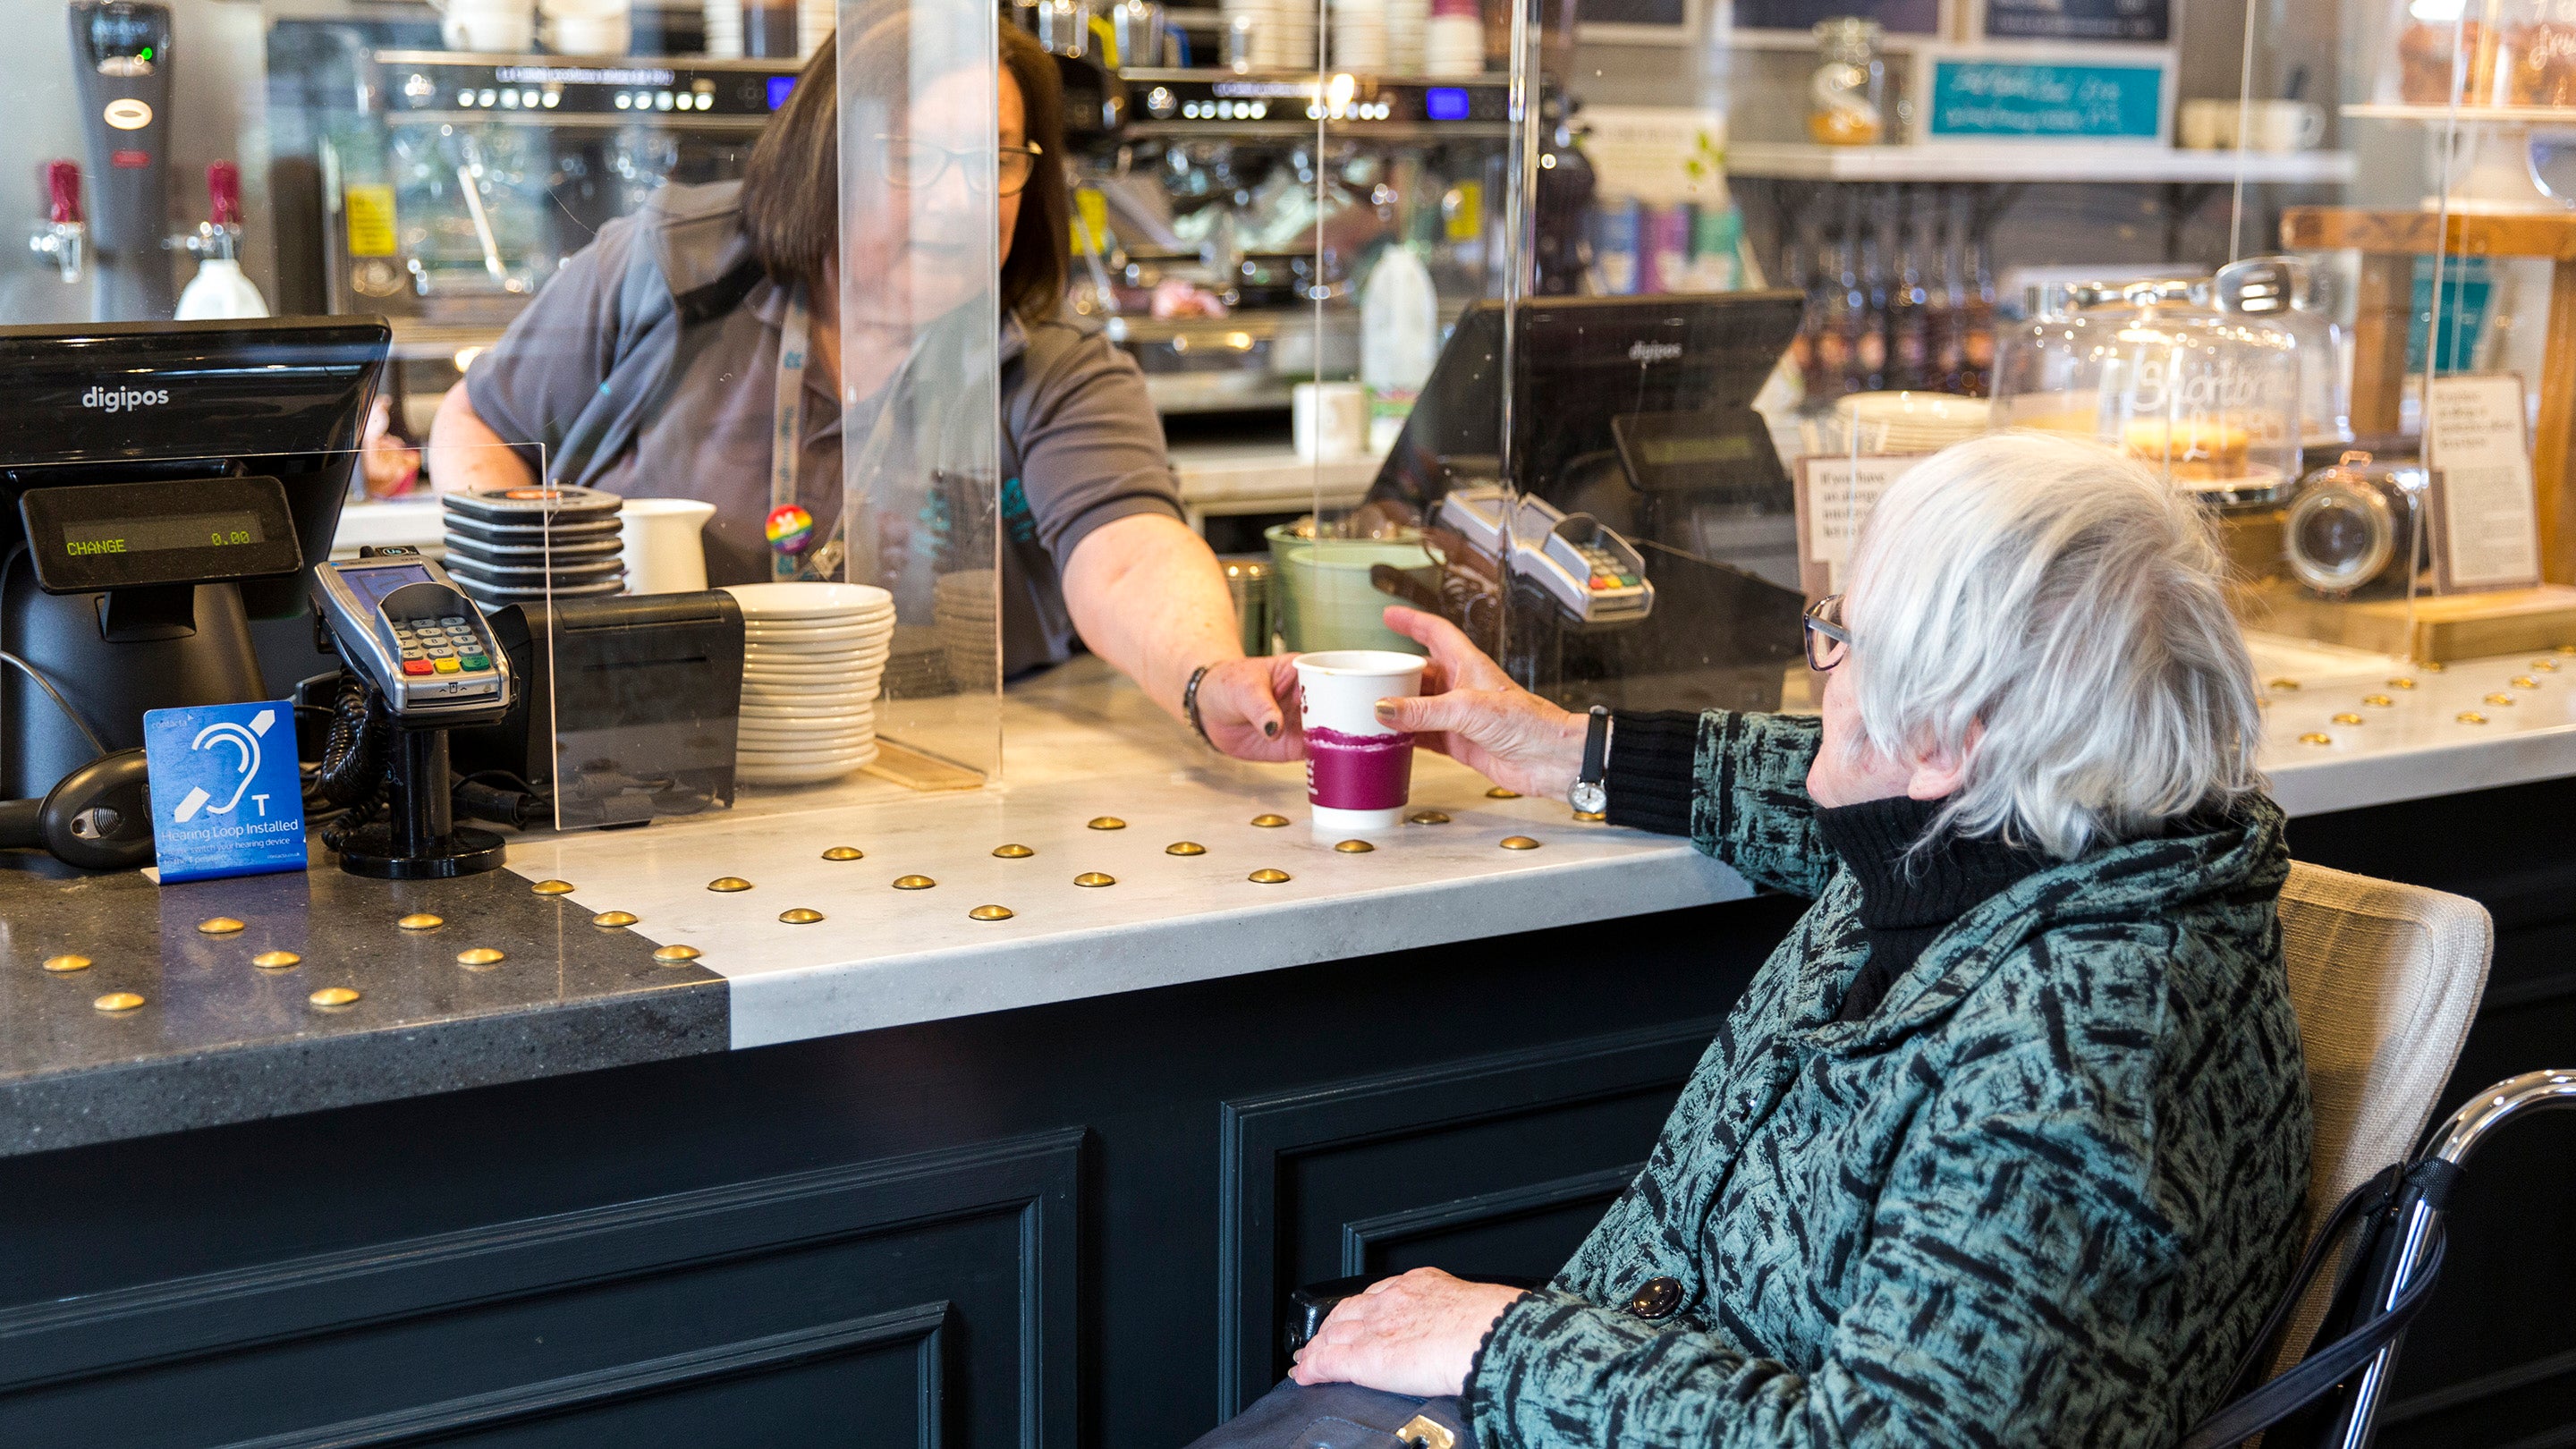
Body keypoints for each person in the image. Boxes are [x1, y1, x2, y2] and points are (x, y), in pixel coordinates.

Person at [1276, 434, 2312, 1446]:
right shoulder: (2063, 835)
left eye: (1841, 640)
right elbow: (1827, 782)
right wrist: (1570, 751)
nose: (1819, 667)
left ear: (1949, 740)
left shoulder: (2069, 1072)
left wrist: (1498, 1345)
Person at [427, 19, 1296, 758]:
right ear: (828, 157)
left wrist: (1209, 678)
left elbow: (1131, 552)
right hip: (651, 749)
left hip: (944, 777)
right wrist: (537, 615)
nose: (963, 200)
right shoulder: (667, 267)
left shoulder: (1053, 365)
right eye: (918, 159)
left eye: (994, 158)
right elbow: (480, 423)